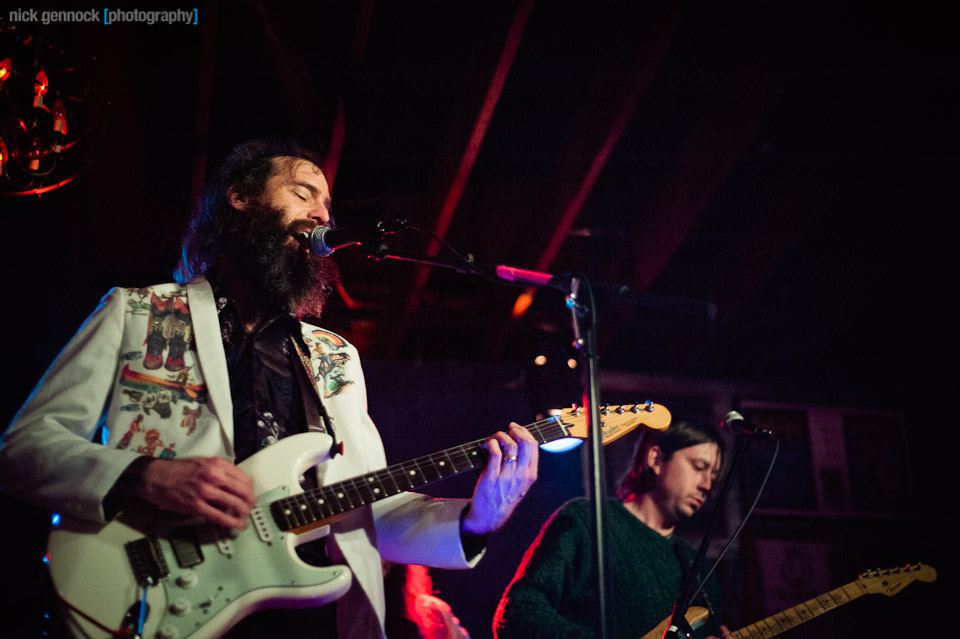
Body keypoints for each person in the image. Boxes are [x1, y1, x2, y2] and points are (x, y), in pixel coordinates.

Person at [0, 138, 538, 639]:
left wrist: (475, 520)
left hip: (303, 618)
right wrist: (147, 476)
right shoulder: (139, 313)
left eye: (327, 206)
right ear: (239, 198)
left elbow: (363, 506)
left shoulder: (335, 357)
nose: (323, 216)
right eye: (304, 193)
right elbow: (23, 449)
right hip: (157, 596)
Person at [492, 419, 729, 639]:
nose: (707, 485)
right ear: (656, 459)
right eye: (699, 467)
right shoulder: (587, 522)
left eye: (714, 476)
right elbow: (517, 612)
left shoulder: (698, 567)